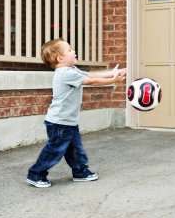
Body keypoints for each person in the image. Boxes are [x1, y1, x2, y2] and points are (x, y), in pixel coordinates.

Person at [26, 38, 127, 188]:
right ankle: (35, 174)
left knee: (75, 149)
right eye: (69, 50)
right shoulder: (65, 73)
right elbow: (91, 82)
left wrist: (111, 73)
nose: (74, 51)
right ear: (60, 58)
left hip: (68, 121)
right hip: (59, 122)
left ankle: (80, 172)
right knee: (54, 150)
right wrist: (113, 80)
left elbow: (91, 75)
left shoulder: (72, 70)